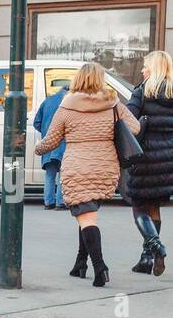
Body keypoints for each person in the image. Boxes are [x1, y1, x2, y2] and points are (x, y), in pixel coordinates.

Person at [34, 61, 141, 287]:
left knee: (87, 218)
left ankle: (100, 268)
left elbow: (52, 140)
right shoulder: (113, 104)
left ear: (78, 79)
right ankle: (80, 263)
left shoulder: (66, 107)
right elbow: (135, 128)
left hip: (78, 168)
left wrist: (37, 148)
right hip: (106, 168)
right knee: (86, 215)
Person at [125, 50, 173, 276]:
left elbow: (130, 122)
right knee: (154, 205)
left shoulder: (142, 91)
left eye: (145, 66)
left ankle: (157, 247)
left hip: (145, 157)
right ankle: (146, 259)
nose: (142, 70)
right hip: (169, 159)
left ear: (153, 68)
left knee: (138, 204)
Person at [33, 85, 67, 210]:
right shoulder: (69, 101)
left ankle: (48, 202)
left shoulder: (47, 101)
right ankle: (60, 203)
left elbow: (36, 122)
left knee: (50, 174)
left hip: (48, 144)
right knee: (63, 175)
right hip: (64, 144)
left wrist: (45, 132)